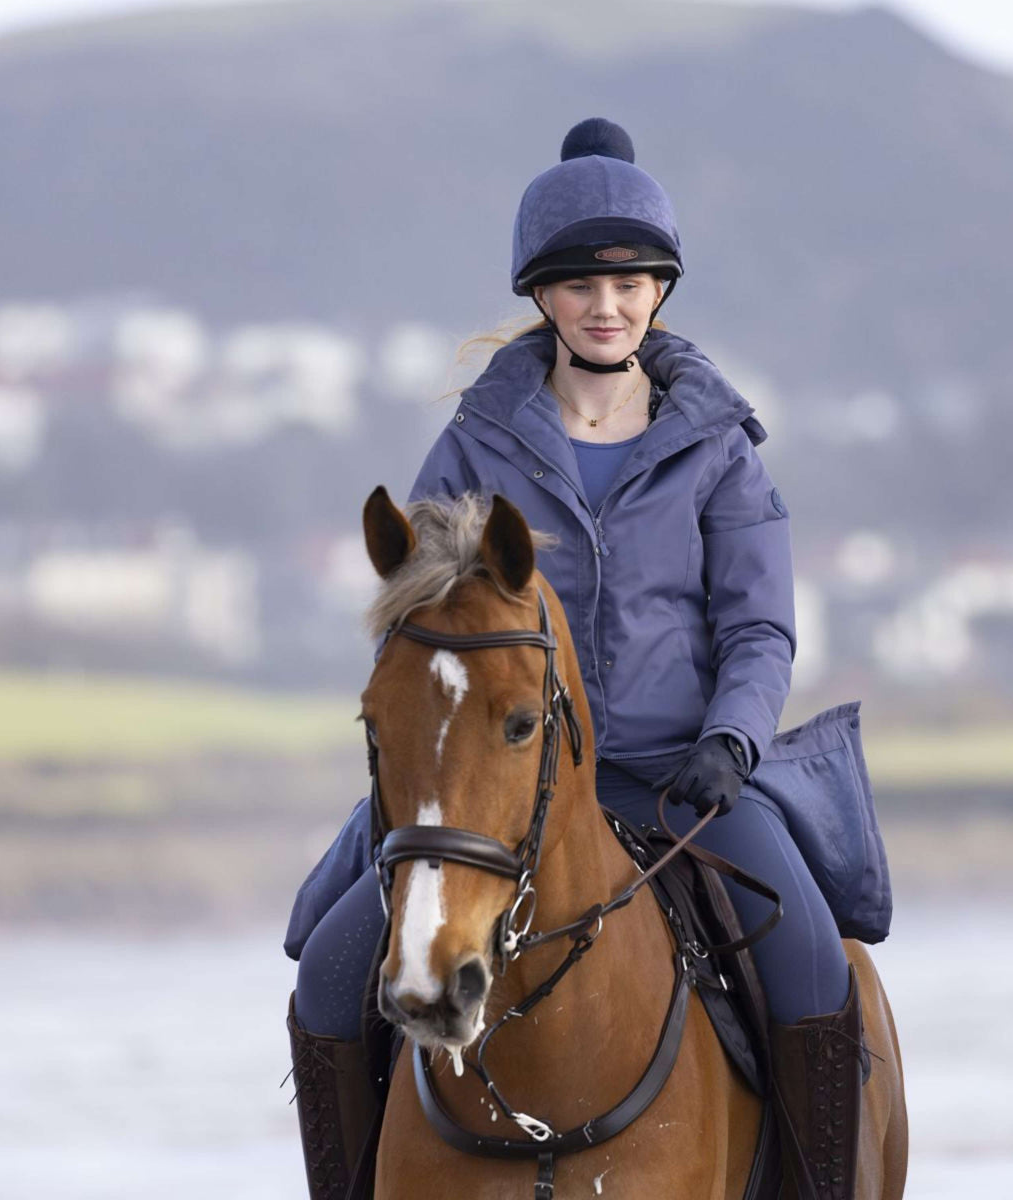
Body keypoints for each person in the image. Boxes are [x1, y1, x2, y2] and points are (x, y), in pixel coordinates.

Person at [284, 118, 868, 1200]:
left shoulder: (719, 447)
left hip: (681, 780)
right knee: (327, 975)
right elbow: (427, 626)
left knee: (819, 976)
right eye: (581, 286)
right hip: (490, 785)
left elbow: (758, 627)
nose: (609, 305)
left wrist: (733, 741)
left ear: (661, 292)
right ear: (542, 297)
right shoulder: (472, 443)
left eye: (634, 281)